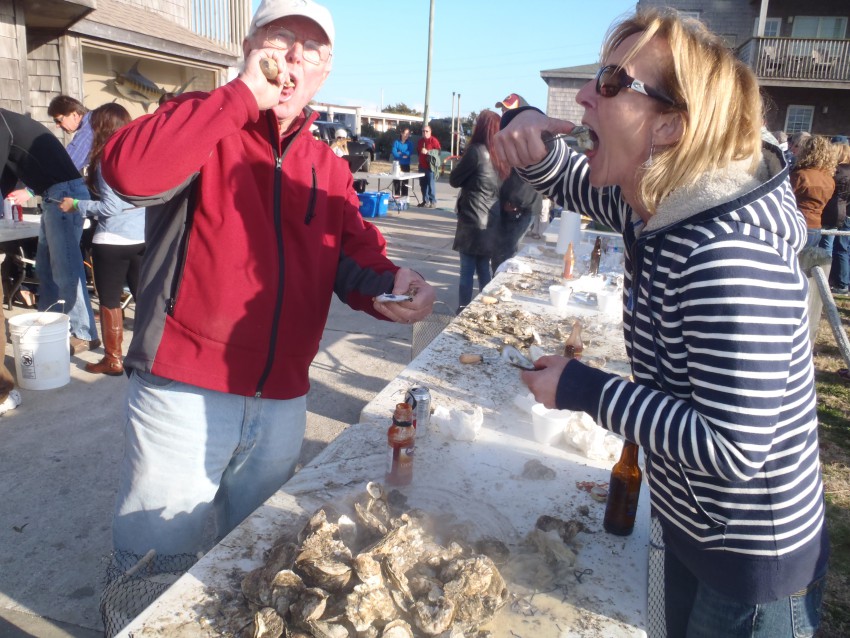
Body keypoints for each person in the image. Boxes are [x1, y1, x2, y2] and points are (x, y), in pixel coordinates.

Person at [494, 8, 828, 637]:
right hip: (685, 519)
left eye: (613, 84)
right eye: (597, 77)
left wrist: (582, 389)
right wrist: (526, 132)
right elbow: (577, 182)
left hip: (750, 564)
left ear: (671, 125)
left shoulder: (726, 254)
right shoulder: (656, 201)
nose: (587, 96)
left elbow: (731, 446)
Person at [100, 0, 435, 572]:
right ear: (251, 49)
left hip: (283, 399)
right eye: (280, 40)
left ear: (325, 73)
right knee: (153, 561)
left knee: (255, 558)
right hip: (184, 387)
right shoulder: (203, 119)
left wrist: (394, 286)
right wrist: (236, 97)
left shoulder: (325, 166)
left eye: (311, 51)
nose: (293, 59)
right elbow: (128, 173)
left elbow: (352, 254)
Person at [0, 108, 99, 354]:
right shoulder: (8, 124)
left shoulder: (1, 122)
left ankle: (84, 334)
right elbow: (7, 174)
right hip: (52, 195)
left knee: (66, 268)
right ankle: (51, 326)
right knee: (44, 267)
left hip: (64, 194)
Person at [58, 104, 145, 376]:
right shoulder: (139, 155)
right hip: (142, 236)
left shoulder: (108, 157)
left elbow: (110, 207)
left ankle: (113, 360)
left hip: (112, 240)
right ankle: (146, 354)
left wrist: (76, 205)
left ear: (102, 127)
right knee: (144, 297)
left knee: (109, 302)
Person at [449, 110, 506, 313]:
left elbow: (454, 179)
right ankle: (486, 310)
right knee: (483, 269)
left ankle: (462, 310)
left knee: (466, 271)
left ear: (481, 127)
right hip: (492, 219)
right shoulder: (501, 154)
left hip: (472, 218)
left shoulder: (476, 151)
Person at [790, 135, 836, 248]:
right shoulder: (829, 179)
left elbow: (784, 197)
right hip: (816, 227)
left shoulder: (800, 175)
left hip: (798, 224)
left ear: (806, 152)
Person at [491, 169, 542, 271]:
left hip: (521, 206)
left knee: (508, 247)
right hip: (509, 203)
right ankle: (497, 275)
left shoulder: (524, 159)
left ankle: (501, 277)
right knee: (500, 247)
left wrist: (514, 202)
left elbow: (525, 181)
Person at [819, 137, 849, 256]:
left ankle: (822, 271)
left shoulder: (835, 172)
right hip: (841, 211)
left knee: (827, 245)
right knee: (839, 248)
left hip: (830, 211)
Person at [47, 95, 94, 173]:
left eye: (59, 120)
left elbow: (66, 166)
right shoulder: (93, 120)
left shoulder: (88, 129)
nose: (57, 125)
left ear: (74, 115)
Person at [828, 141, 850, 296]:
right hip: (846, 213)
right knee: (844, 248)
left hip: (840, 213)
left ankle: (841, 283)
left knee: (838, 248)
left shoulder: (837, 172)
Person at [416, 124, 441, 208]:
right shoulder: (420, 141)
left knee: (431, 184)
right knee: (423, 185)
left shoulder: (433, 140)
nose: (425, 133)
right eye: (423, 131)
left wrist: (428, 152)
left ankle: (433, 201)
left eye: (427, 131)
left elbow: (438, 152)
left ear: (430, 132)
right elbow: (418, 152)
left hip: (430, 167)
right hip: (422, 166)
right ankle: (425, 201)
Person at [390, 127, 414, 203]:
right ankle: (396, 198)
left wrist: (402, 152)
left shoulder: (410, 143)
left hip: (406, 165)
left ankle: (404, 199)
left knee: (405, 182)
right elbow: (394, 152)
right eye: (405, 133)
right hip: (397, 165)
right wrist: (400, 155)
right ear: (401, 133)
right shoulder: (396, 142)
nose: (406, 135)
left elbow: (410, 152)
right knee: (396, 182)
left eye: (408, 134)